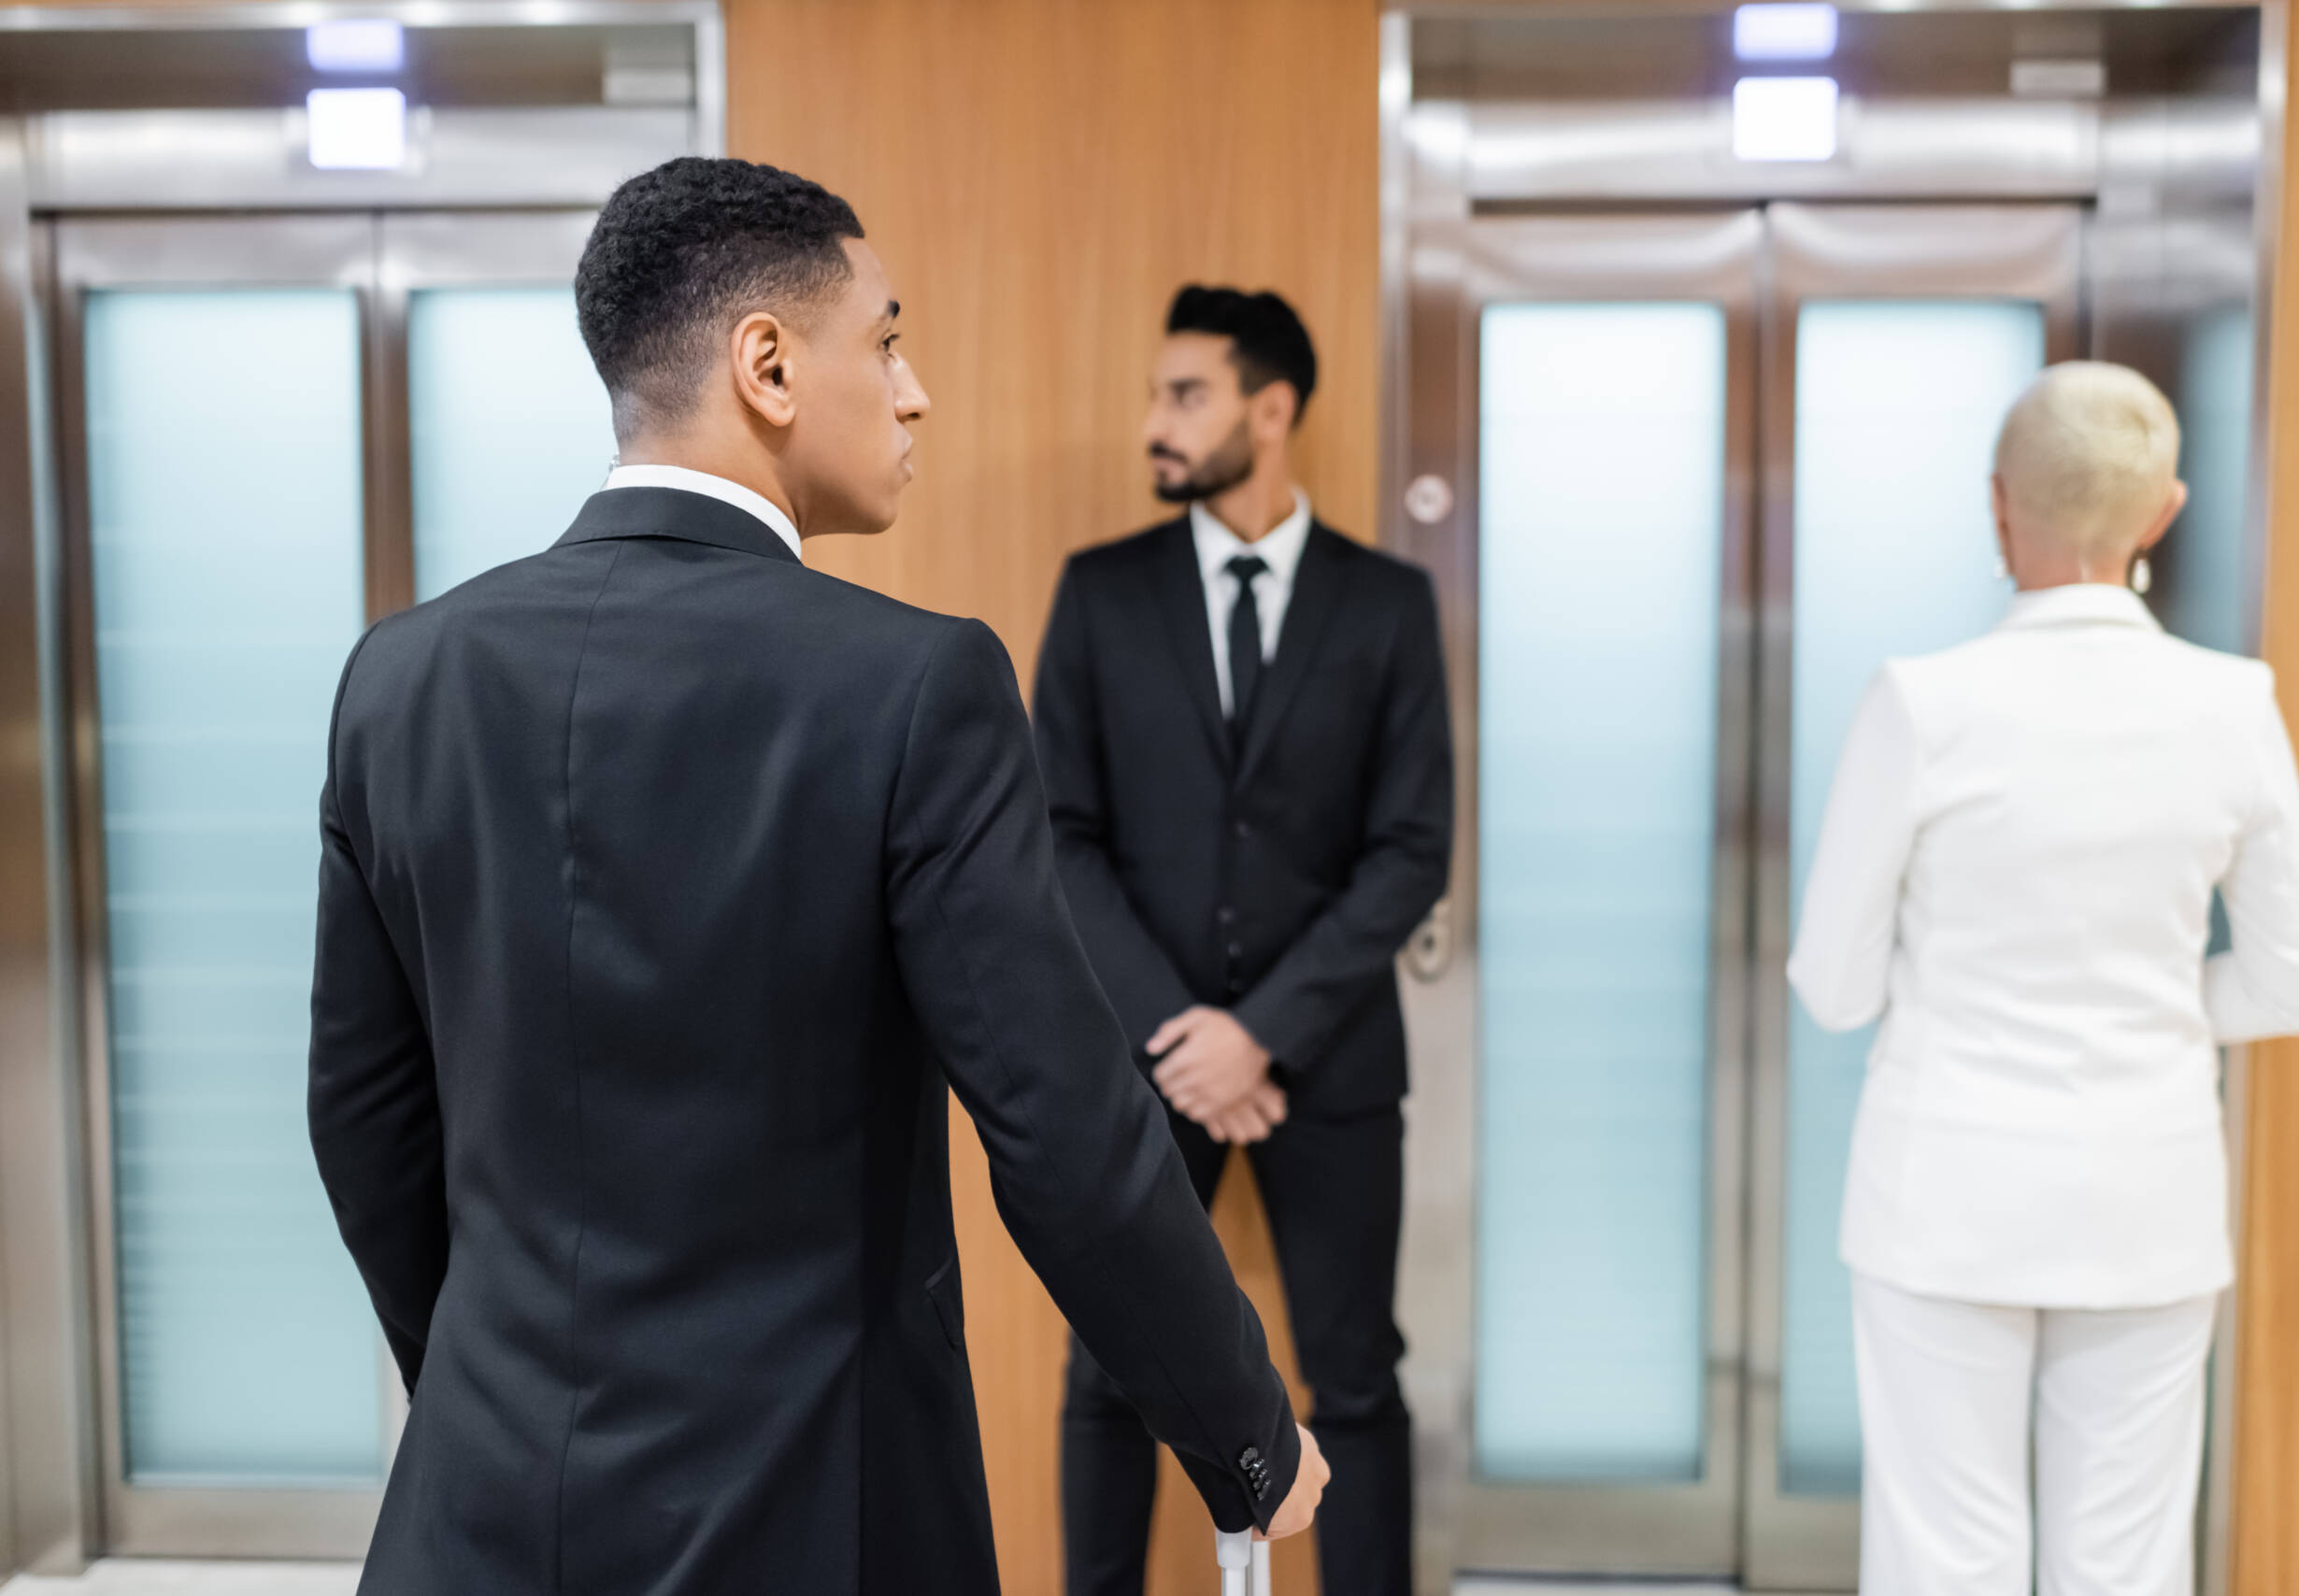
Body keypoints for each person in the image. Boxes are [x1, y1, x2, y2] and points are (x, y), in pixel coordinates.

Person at [307, 157, 1327, 1596]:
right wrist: (1249, 1440)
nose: (913, 393)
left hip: (476, 1517)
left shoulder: (399, 680)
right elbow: (1062, 1135)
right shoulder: (913, 686)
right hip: (810, 1520)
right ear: (768, 365)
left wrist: (497, 1385)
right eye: (890, 338)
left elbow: (363, 1123)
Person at [1789, 361, 2299, 1596]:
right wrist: (2165, 1014)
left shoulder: (1924, 705)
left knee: (1944, 1552)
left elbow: (1833, 983)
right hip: (2147, 1192)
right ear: (2163, 513)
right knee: (2128, 1561)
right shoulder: (2232, 705)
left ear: (1998, 507)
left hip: (1944, 1190)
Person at [1035, 286, 1451, 1596]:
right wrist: (1185, 1039)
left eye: (1186, 395)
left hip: (1328, 1062)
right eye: (1159, 394)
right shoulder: (1100, 595)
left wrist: (1259, 1032)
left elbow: (1412, 849)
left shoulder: (1388, 605)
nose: (1155, 421)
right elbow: (1058, 834)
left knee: (1356, 1376)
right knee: (1108, 1368)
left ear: (1272, 411)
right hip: (1146, 1067)